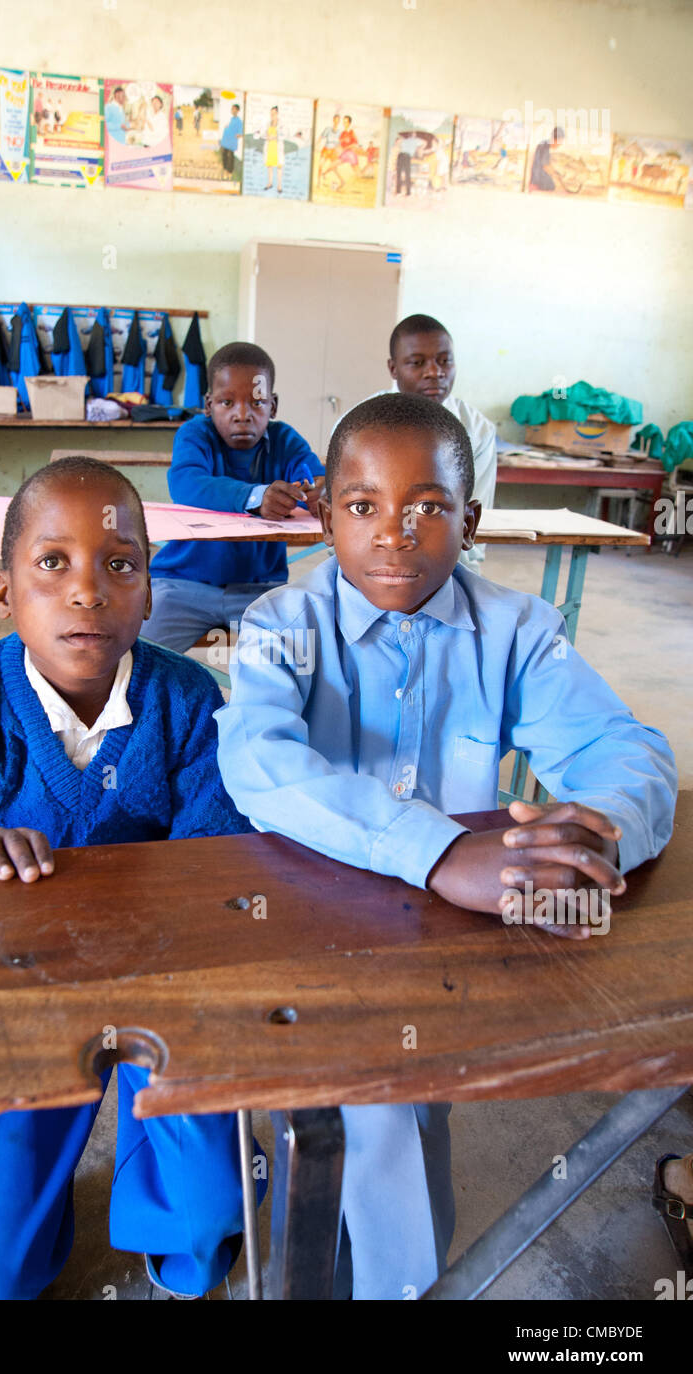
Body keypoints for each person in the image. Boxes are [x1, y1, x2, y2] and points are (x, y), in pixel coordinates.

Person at [215, 392, 677, 1300]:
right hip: (312, 933)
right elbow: (259, 761)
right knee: (360, 1137)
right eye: (362, 507)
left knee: (410, 1113)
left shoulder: (517, 633)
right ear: (321, 514)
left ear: (470, 521)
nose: (394, 534)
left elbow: (629, 751)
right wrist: (437, 852)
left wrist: (603, 824)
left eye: (427, 507)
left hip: (453, 950)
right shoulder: (281, 626)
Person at [0, 458, 266, 1300]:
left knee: (207, 1210)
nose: (87, 592)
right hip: (22, 993)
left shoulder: (191, 702)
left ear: (153, 593)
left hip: (162, 987)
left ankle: (172, 1226)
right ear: (4, 593)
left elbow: (217, 863)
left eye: (120, 565)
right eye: (53, 563)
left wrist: (150, 926)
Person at [140, 342, 324, 654]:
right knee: (137, 653)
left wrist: (322, 490)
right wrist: (254, 496)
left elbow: (315, 478)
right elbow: (186, 482)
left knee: (301, 654)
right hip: (181, 586)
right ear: (208, 405)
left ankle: (267, 703)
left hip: (260, 591)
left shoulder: (285, 441)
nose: (242, 415)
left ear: (273, 406)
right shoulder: (195, 434)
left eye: (257, 403)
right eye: (227, 403)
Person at [340, 314, 497, 571]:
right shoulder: (357, 426)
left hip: (449, 564)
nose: (435, 372)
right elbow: (349, 516)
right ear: (393, 369)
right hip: (370, 563)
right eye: (417, 363)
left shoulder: (477, 430)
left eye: (445, 361)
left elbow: (473, 524)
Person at [530, 125, 564, 191]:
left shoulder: (544, 144)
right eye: (560, 142)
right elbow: (545, 166)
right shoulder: (544, 146)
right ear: (555, 139)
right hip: (538, 177)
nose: (560, 145)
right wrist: (556, 174)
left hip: (537, 175)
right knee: (552, 186)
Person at [264, 105, 283, 193]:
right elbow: (265, 133)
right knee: (270, 166)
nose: (272, 115)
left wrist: (274, 137)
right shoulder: (268, 123)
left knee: (279, 167)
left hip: (277, 147)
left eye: (274, 113)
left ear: (277, 114)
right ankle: (270, 183)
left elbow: (283, 135)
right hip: (270, 147)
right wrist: (268, 136)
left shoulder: (281, 124)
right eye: (271, 114)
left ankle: (279, 186)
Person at [220, 102, 242, 175]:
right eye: (232, 109)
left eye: (234, 109)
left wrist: (236, 135)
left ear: (237, 110)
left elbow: (240, 133)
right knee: (224, 155)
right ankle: (225, 168)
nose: (232, 110)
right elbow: (226, 127)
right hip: (225, 141)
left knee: (230, 157)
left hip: (232, 142)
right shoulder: (230, 119)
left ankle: (229, 171)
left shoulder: (239, 121)